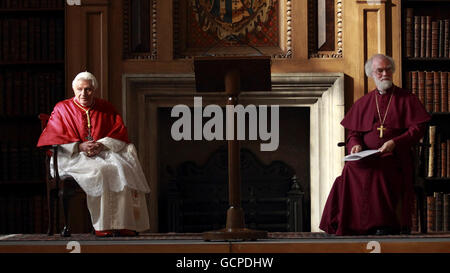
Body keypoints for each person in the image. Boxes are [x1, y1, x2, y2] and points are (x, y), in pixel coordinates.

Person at [319, 54, 431, 235]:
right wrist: (355, 145)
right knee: (350, 169)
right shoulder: (363, 102)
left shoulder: (407, 99)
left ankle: (384, 224)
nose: (385, 73)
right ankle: (353, 226)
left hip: (396, 156)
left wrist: (395, 142)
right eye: (380, 70)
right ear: (371, 73)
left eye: (388, 69)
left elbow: (418, 128)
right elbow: (353, 134)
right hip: (367, 156)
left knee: (380, 169)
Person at [37, 71, 150, 237]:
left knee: (123, 170)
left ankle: (122, 224)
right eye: (80, 89)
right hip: (73, 157)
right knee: (102, 171)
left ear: (94, 90)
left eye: (88, 89)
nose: (84, 93)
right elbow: (54, 138)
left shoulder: (105, 107)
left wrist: (102, 144)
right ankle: (102, 226)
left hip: (102, 153)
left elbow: (119, 133)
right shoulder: (62, 108)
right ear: (74, 89)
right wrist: (80, 146)